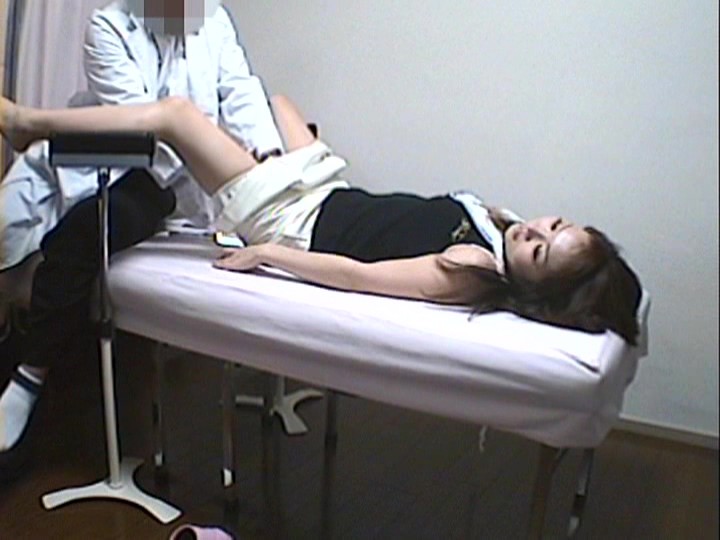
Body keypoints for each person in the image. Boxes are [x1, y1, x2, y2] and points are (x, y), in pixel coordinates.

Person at [0, 93, 642, 459]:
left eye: (540, 253)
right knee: (278, 101)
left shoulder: (472, 267)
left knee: (177, 116)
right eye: (554, 226)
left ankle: (29, 125)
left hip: (292, 216)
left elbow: (359, 274)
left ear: (531, 286)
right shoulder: (500, 225)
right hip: (324, 186)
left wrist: (268, 254)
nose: (535, 233)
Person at [0, 0, 285, 474]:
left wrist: (268, 157)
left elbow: (239, 90)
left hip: (179, 178)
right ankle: (26, 362)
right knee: (62, 234)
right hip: (126, 160)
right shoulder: (107, 27)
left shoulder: (212, 19)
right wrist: (218, 155)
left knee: (86, 232)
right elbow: (144, 124)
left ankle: (30, 374)